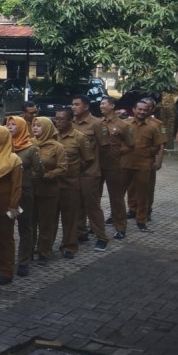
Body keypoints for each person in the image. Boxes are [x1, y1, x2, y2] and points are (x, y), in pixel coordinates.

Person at [53, 107, 94, 257]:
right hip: (53, 183)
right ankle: (46, 246)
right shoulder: (52, 135)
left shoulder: (80, 138)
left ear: (70, 120)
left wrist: (76, 171)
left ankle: (69, 245)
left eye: (61, 119)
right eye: (56, 119)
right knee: (50, 218)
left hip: (71, 184)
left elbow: (89, 159)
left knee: (70, 217)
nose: (58, 122)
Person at [71, 94, 110, 249]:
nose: (73, 107)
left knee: (92, 205)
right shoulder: (71, 123)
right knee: (77, 204)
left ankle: (101, 237)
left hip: (90, 172)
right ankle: (81, 232)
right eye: (72, 104)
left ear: (86, 106)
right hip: (74, 171)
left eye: (77, 104)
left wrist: (95, 163)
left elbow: (105, 148)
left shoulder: (97, 124)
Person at [6, 115, 43, 277]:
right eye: (9, 124)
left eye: (14, 125)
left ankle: (23, 261)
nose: (10, 127)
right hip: (8, 194)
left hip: (24, 194)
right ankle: (5, 260)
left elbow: (40, 171)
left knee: (25, 226)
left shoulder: (30, 149)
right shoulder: (4, 145)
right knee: (6, 226)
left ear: (21, 127)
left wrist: (26, 180)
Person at [0, 126, 23, 285]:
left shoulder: (13, 159)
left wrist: (13, 205)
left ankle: (6, 270)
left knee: (4, 238)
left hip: (4, 204)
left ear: (3, 137)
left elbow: (17, 186)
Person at [121, 99, 165, 231]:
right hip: (125, 163)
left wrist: (157, 160)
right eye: (139, 109)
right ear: (133, 110)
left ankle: (142, 219)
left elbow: (159, 145)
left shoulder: (154, 126)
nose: (142, 112)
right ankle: (118, 216)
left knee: (143, 193)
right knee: (120, 193)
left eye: (145, 110)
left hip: (144, 164)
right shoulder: (125, 124)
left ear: (150, 111)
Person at [32, 116, 68, 264]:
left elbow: (63, 168)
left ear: (47, 128)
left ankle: (44, 251)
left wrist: (48, 175)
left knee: (46, 222)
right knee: (30, 221)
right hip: (31, 189)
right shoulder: (29, 144)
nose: (35, 128)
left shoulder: (57, 147)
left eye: (39, 126)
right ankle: (30, 248)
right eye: (34, 125)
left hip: (48, 190)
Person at [97, 95, 131, 237]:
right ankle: (95, 226)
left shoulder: (123, 125)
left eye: (104, 104)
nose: (101, 106)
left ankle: (120, 227)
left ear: (112, 106)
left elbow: (131, 144)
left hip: (114, 165)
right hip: (97, 165)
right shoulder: (97, 123)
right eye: (100, 104)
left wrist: (119, 153)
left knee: (116, 197)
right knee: (94, 196)